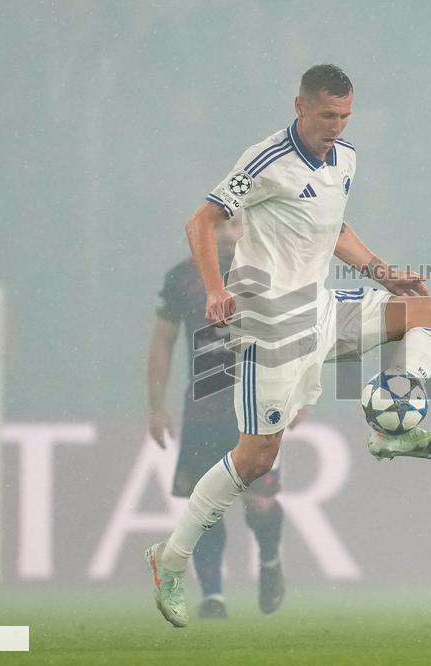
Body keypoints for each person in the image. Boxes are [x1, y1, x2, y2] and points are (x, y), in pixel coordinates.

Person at [146, 64, 431, 628]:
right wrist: (216, 288)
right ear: (300, 106)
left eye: (344, 116)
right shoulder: (266, 161)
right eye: (326, 116)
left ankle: (392, 426)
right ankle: (169, 560)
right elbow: (201, 220)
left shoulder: (347, 159)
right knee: (256, 457)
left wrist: (386, 274)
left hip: (320, 312)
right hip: (268, 328)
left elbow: (334, 229)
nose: (335, 127)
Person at [148, 218, 286, 618]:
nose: (228, 235)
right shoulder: (182, 278)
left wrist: (300, 394)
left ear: (248, 228)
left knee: (260, 504)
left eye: (236, 226)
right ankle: (213, 596)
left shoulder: (267, 274)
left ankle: (270, 559)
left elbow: (292, 335)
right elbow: (162, 340)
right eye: (221, 226)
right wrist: (156, 405)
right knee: (204, 507)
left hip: (258, 410)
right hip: (204, 413)